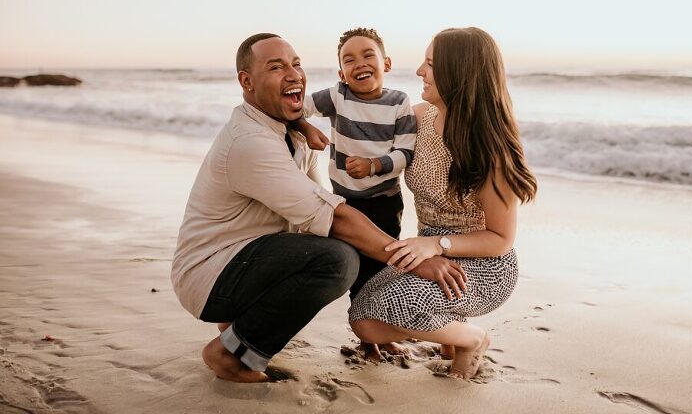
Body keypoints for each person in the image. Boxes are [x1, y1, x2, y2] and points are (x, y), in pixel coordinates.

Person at [170, 33, 466, 383]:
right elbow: (332, 215)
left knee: (332, 248)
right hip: (209, 277)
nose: (294, 74)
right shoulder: (250, 142)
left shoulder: (292, 134)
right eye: (277, 67)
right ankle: (232, 355)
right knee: (337, 260)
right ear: (246, 82)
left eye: (297, 64)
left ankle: (237, 329)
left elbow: (318, 203)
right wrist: (417, 258)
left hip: (239, 261)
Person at [348, 27, 537, 379]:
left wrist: (436, 244)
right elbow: (362, 116)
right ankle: (450, 338)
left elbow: (500, 239)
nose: (420, 70)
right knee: (360, 314)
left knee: (373, 323)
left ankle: (472, 339)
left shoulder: (490, 150)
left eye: (431, 63)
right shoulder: (419, 118)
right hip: (427, 251)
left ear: (459, 73)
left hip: (483, 264)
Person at [297, 27, 417, 359]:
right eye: (349, 60)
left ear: (386, 63)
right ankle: (367, 340)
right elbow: (295, 107)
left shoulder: (399, 102)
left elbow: (406, 153)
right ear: (341, 73)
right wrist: (305, 126)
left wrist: (373, 165)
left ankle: (380, 329)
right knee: (358, 271)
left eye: (368, 55)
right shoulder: (337, 96)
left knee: (384, 266)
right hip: (347, 203)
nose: (359, 64)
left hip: (385, 201)